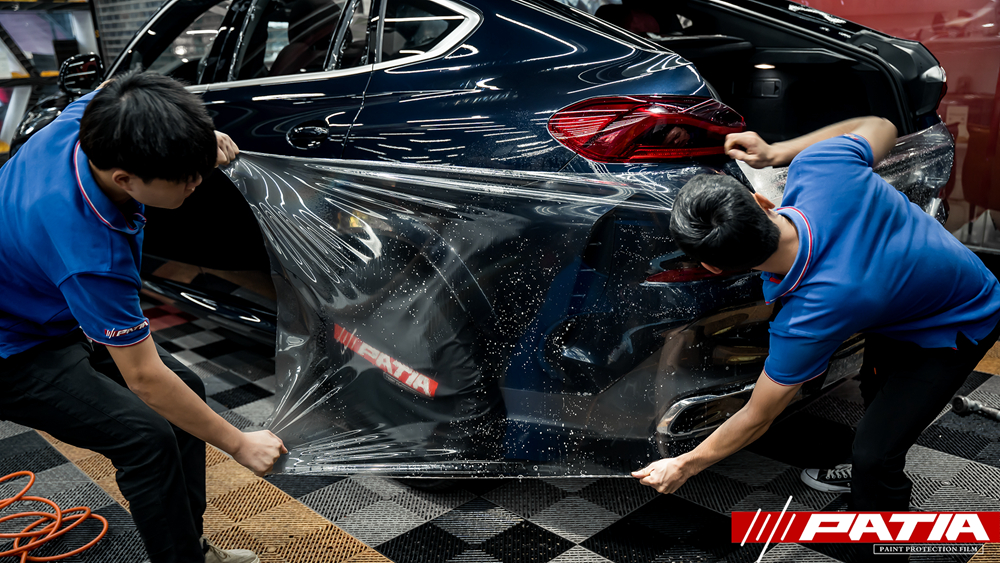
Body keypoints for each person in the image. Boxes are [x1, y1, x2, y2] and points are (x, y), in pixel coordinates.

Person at [632, 116, 1000, 537]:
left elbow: (757, 415)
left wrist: (684, 464)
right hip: (910, 302)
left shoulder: (813, 315)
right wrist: (777, 152)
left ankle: (880, 534)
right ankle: (865, 478)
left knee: (874, 455)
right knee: (875, 388)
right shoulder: (822, 165)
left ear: (713, 268)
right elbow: (881, 125)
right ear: (761, 201)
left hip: (965, 319)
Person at [0, 71, 286, 563]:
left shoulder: (89, 121)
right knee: (145, 437)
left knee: (185, 394)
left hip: (38, 298)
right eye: (186, 177)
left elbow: (128, 86)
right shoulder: (93, 254)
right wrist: (239, 444)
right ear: (125, 180)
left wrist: (198, 136)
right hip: (13, 346)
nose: (198, 180)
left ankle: (188, 549)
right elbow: (145, 379)